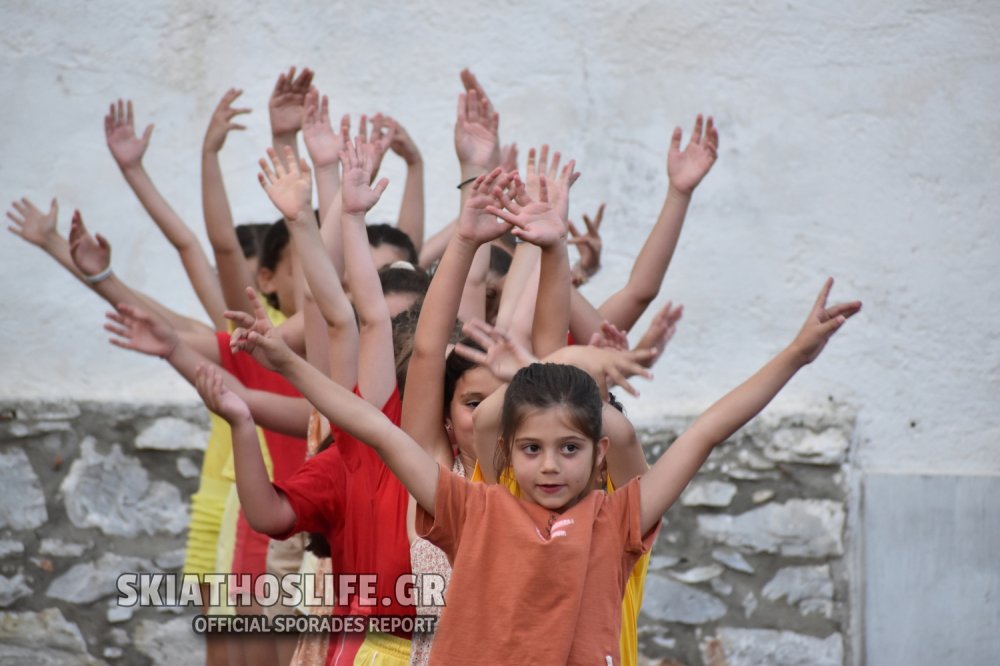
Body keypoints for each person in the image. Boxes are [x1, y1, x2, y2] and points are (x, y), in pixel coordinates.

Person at [223, 254, 859, 664]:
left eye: (569, 449)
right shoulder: (470, 507)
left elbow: (706, 431)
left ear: (599, 452)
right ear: (503, 451)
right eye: (531, 449)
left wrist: (795, 355)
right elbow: (376, 429)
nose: (550, 466)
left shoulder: (617, 520)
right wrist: (288, 364)